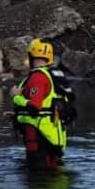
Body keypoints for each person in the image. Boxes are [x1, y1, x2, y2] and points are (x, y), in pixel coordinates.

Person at [12, 38, 74, 171]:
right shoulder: (53, 76)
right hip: (52, 135)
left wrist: (16, 97)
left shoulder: (38, 77)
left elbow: (35, 107)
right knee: (50, 172)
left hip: (39, 136)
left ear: (31, 55)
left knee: (37, 176)